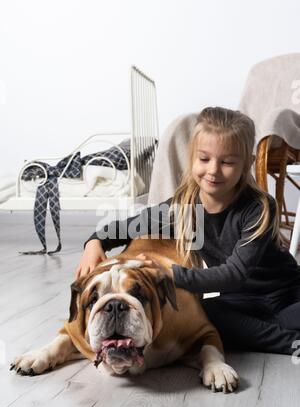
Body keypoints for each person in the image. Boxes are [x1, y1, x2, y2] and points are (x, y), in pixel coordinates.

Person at [76, 106, 300, 356]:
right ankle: (288, 341)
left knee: (284, 318)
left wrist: (169, 273)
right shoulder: (183, 208)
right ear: (192, 157)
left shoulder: (259, 207)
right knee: (206, 313)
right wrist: (94, 242)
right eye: (204, 159)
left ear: (247, 163)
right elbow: (124, 227)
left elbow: (234, 275)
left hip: (287, 294)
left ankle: (281, 336)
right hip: (241, 301)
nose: (213, 170)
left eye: (227, 162)